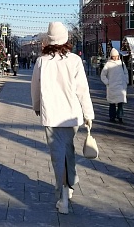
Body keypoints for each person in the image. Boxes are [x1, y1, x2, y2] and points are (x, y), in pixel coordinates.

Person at [31, 22, 94, 215]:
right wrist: (88, 114)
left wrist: (36, 106)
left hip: (51, 114)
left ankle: (63, 195)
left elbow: (35, 86)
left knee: (57, 155)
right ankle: (71, 183)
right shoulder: (74, 60)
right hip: (71, 113)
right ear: (66, 38)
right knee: (68, 149)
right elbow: (82, 89)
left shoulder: (42, 61)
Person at [100, 48, 128, 123]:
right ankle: (112, 116)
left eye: (116, 56)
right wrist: (108, 82)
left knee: (120, 103)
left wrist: (126, 81)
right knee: (112, 103)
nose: (115, 58)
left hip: (121, 86)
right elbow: (103, 75)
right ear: (111, 56)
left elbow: (126, 73)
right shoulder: (108, 64)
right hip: (112, 86)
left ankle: (120, 116)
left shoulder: (121, 64)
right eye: (113, 56)